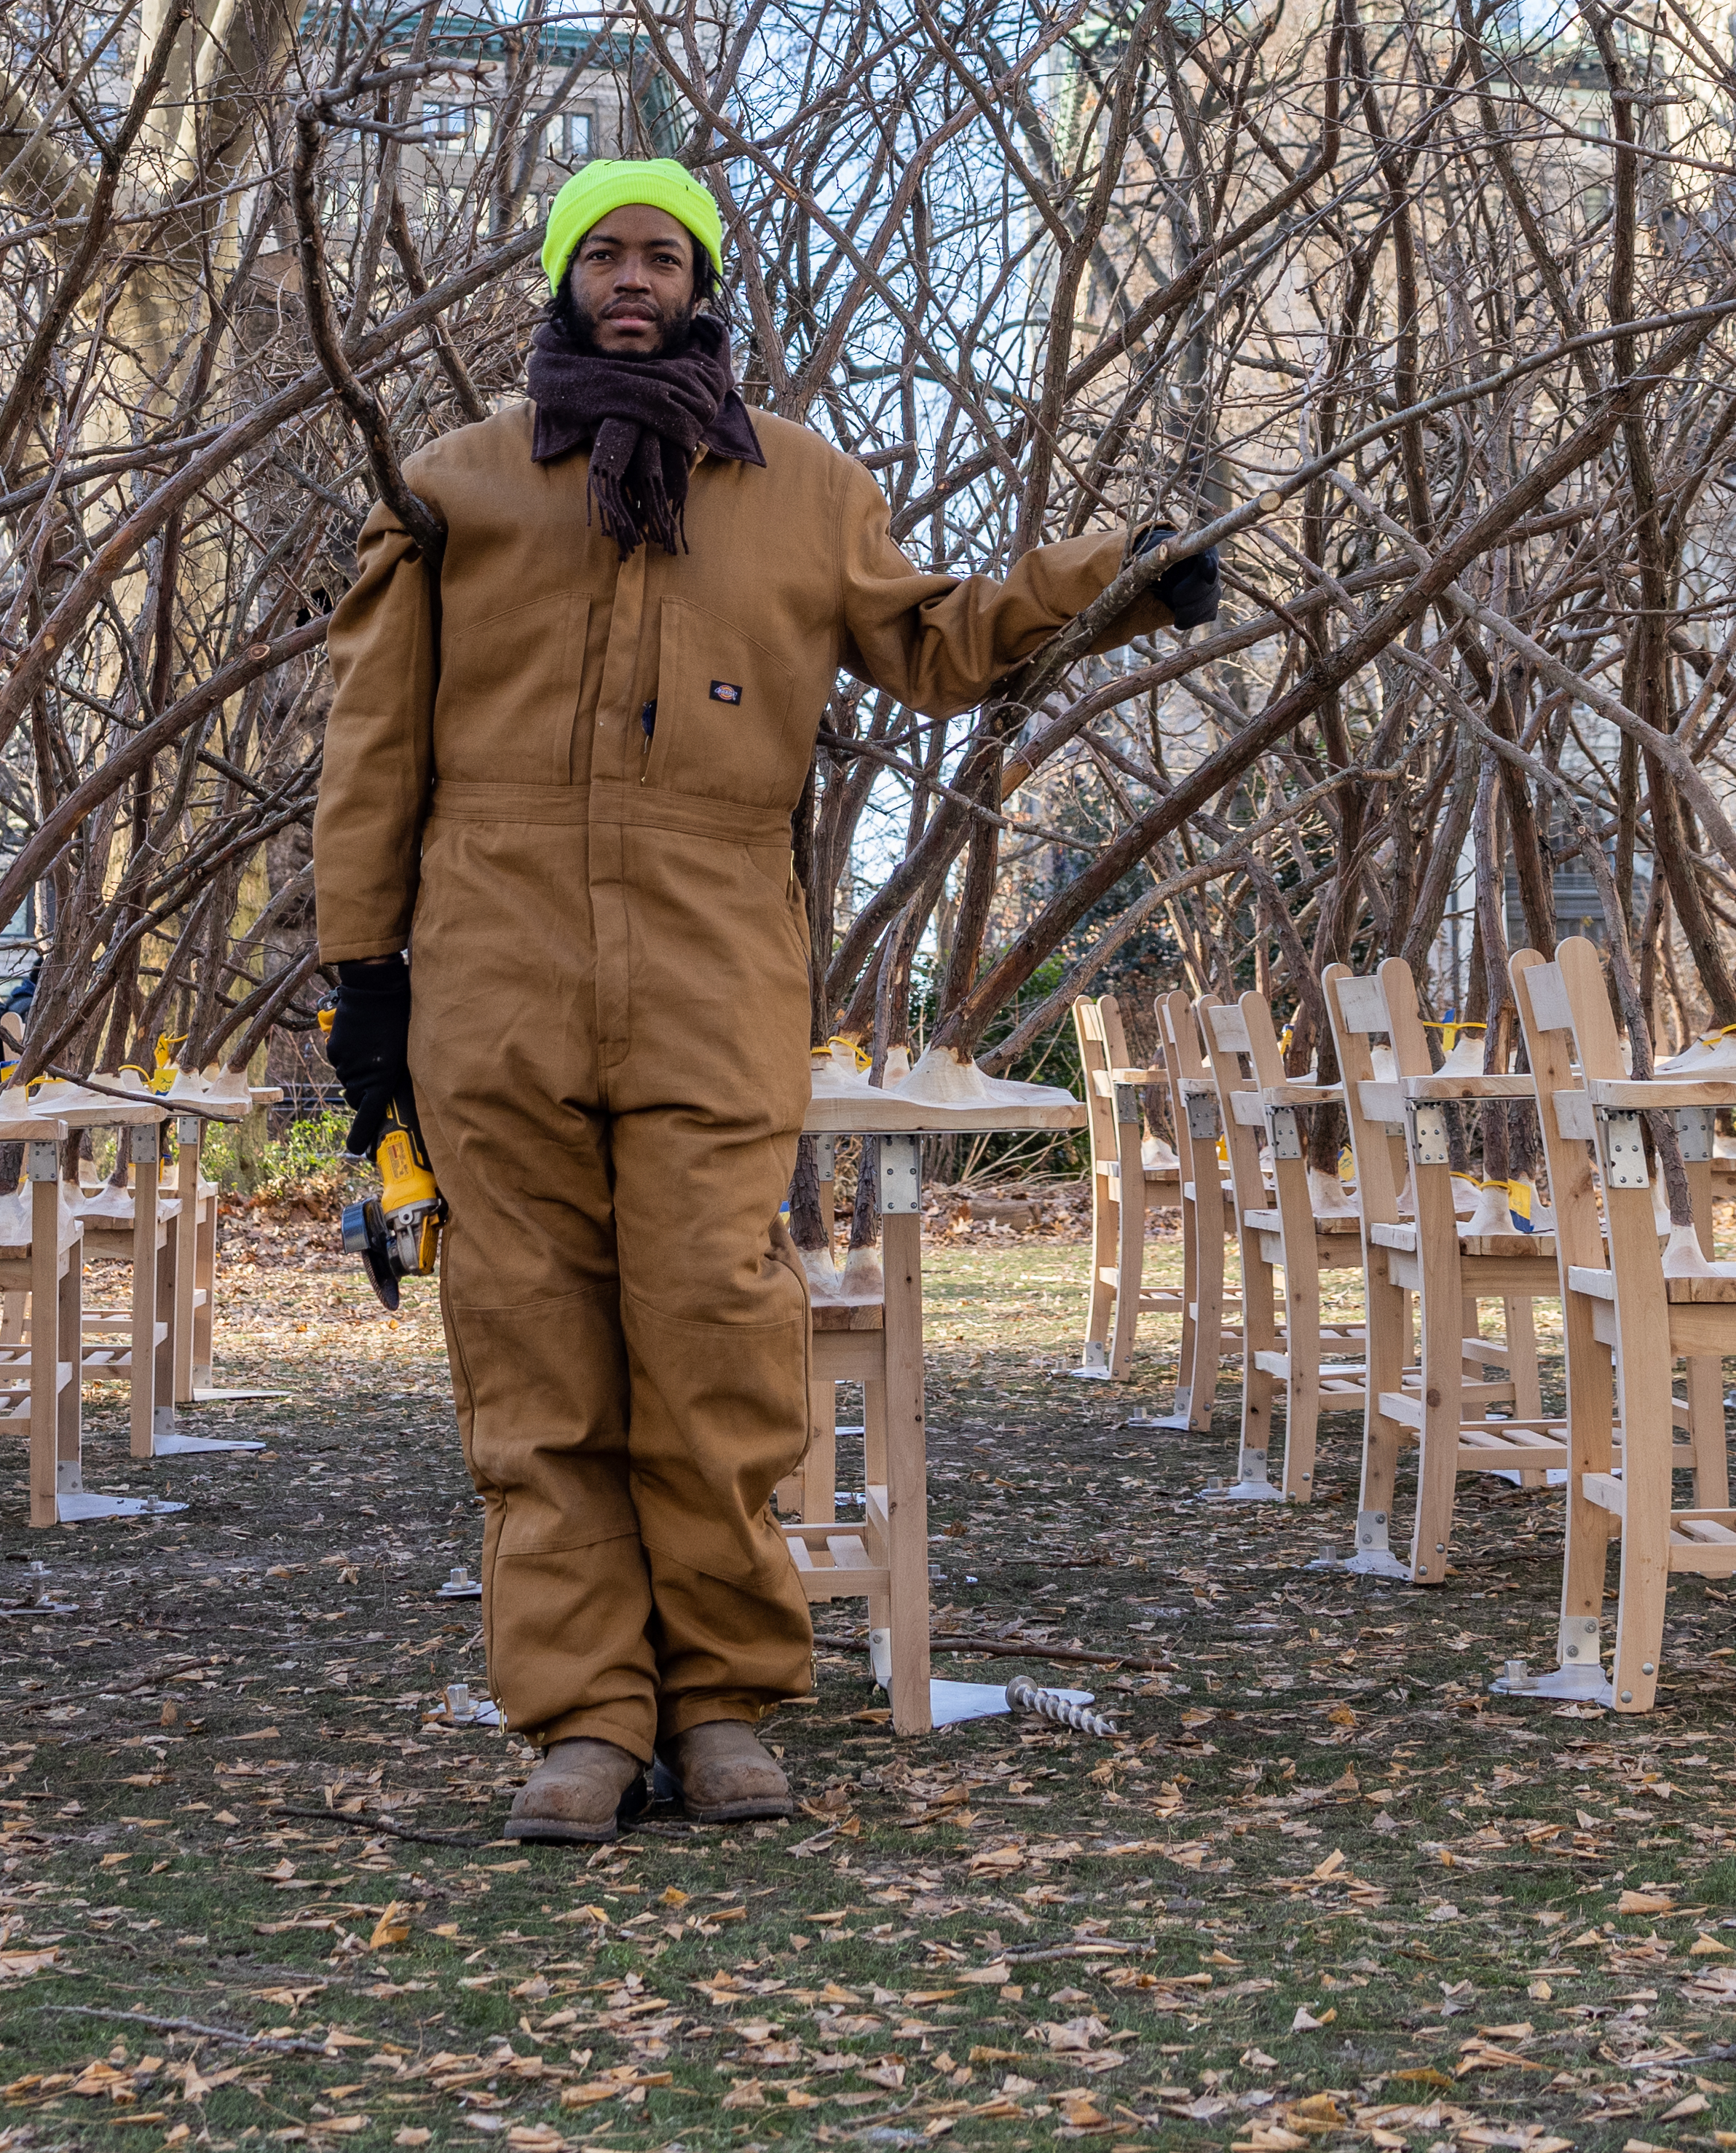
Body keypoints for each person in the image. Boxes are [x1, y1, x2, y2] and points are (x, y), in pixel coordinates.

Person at [312, 158, 1223, 1845]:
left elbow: (939, 641)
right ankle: (582, 1716)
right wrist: (365, 994)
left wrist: (1104, 583)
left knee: (712, 1329)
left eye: (664, 251)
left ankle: (722, 1696)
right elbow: (371, 747)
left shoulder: (799, 488)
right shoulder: (456, 487)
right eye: (605, 252)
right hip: (494, 965)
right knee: (533, 1353)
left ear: (708, 279)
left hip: (714, 954)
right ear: (562, 278)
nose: (634, 276)